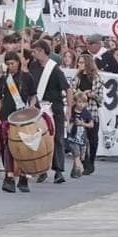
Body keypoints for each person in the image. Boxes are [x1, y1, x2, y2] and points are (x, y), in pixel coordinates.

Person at [29, 40, 72, 184]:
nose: (33, 54)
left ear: (42, 51)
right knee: (40, 139)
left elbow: (68, 89)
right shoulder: (33, 66)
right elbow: (33, 89)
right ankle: (42, 169)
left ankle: (58, 170)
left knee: (57, 138)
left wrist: (69, 108)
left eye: (35, 51)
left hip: (54, 108)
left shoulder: (54, 69)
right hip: (38, 107)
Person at [0, 51, 36, 193]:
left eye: (12, 63)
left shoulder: (27, 77)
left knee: (24, 147)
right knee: (8, 146)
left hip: (23, 117)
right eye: (8, 64)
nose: (10, 66)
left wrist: (31, 106)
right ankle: (9, 176)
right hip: (7, 116)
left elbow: (33, 96)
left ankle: (23, 177)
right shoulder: (4, 79)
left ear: (18, 62)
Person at [71, 53, 103, 174]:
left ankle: (91, 161)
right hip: (79, 111)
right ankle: (84, 163)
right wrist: (81, 94)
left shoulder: (96, 78)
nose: (79, 65)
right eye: (79, 62)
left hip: (91, 111)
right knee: (80, 139)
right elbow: (72, 90)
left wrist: (92, 95)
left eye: (82, 62)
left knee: (93, 139)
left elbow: (101, 98)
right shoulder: (77, 77)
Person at [68, 91, 93, 178]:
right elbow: (67, 119)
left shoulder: (86, 113)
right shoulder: (71, 111)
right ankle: (79, 169)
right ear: (75, 102)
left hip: (82, 137)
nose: (82, 104)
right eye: (79, 102)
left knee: (81, 156)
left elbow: (91, 124)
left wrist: (82, 123)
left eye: (84, 102)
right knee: (76, 154)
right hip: (72, 136)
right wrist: (69, 124)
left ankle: (74, 170)